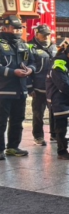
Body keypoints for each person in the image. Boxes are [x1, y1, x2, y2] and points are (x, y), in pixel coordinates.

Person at [0, 16, 33, 159]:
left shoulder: (23, 45)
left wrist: (30, 69)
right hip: (3, 90)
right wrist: (12, 72)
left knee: (17, 120)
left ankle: (13, 147)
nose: (18, 31)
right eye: (15, 28)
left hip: (20, 90)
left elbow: (32, 62)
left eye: (20, 28)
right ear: (4, 28)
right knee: (1, 122)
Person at [46, 42, 69, 160]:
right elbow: (63, 83)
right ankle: (62, 151)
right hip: (59, 99)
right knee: (61, 127)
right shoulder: (59, 64)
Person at [28, 23, 56, 146]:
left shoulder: (54, 47)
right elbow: (26, 68)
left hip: (53, 87)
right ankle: (38, 136)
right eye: (43, 34)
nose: (46, 37)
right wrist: (29, 87)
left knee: (55, 112)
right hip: (38, 87)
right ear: (37, 34)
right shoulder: (30, 47)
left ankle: (55, 134)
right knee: (38, 113)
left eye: (48, 34)